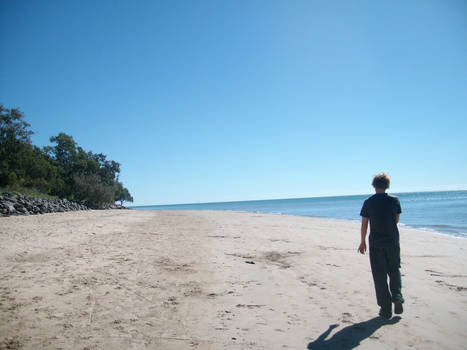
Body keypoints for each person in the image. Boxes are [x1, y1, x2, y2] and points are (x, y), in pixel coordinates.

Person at [358, 173, 404, 319]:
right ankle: (396, 296)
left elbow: (364, 224)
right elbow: (396, 220)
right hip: (392, 242)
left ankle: (385, 309)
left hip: (376, 243)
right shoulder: (394, 200)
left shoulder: (368, 202)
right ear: (387, 185)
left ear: (373, 185)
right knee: (394, 269)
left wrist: (362, 241)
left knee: (379, 275)